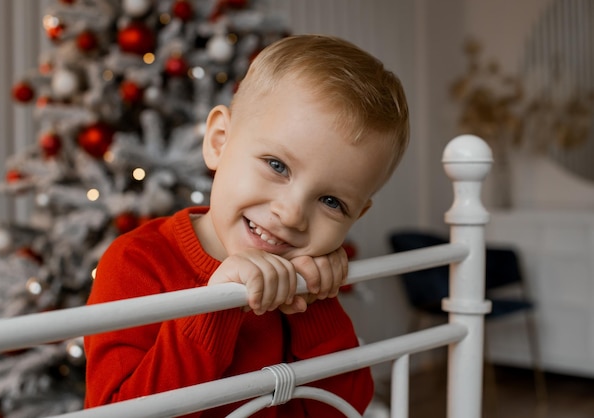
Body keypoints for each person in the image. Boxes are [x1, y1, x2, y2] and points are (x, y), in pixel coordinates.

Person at [84, 34, 409, 417]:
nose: (291, 215)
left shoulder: (302, 282)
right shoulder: (136, 263)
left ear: (356, 216)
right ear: (219, 141)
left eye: (331, 202)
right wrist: (215, 308)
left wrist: (315, 303)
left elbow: (344, 410)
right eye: (277, 165)